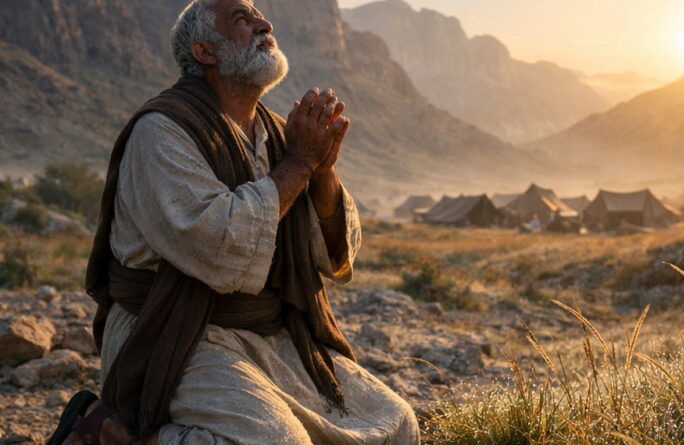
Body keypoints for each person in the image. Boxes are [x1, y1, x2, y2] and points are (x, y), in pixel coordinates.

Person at [48, 0, 420, 443]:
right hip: (174, 332)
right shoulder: (162, 132)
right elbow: (217, 246)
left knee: (395, 424)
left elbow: (332, 256)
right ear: (206, 52)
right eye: (242, 19)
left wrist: (322, 169)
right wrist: (300, 162)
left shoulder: (279, 132)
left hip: (265, 330)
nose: (265, 23)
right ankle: (107, 431)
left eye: (259, 15)